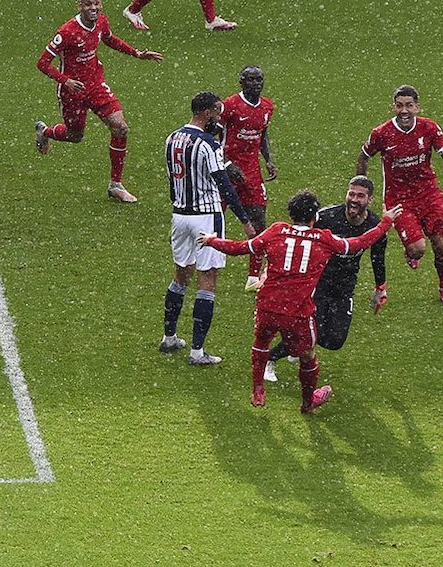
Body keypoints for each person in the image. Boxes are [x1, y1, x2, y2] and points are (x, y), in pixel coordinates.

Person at [198, 190, 402, 410]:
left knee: (261, 343)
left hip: (267, 305)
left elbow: (241, 248)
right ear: (314, 216)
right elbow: (360, 243)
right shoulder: (324, 239)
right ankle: (308, 402)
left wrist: (212, 240)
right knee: (308, 355)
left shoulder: (276, 230)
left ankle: (258, 390)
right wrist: (386, 222)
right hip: (297, 312)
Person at [34, 0, 164, 204]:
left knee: (120, 128)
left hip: (96, 85)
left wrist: (137, 53)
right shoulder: (67, 32)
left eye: (96, 4)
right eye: (87, 5)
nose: (93, 8)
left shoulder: (101, 22)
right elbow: (42, 63)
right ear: (79, 6)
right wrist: (65, 80)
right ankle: (45, 131)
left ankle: (116, 185)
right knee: (75, 136)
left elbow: (110, 39)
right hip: (72, 91)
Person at [161, 91, 256, 365]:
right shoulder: (208, 144)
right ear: (206, 113)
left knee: (181, 276)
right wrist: (245, 221)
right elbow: (224, 184)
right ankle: (197, 352)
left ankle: (169, 337)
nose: (219, 119)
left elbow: (171, 180)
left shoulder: (172, 138)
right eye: (216, 113)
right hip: (206, 218)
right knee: (207, 281)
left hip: (179, 215)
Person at [264, 176, 388, 383]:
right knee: (314, 328)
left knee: (334, 340)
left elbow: (378, 258)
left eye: (360, 196)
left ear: (370, 200)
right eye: (351, 194)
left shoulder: (375, 226)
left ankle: (301, 347)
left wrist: (380, 288)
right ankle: (271, 358)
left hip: (345, 286)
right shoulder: (326, 217)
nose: (354, 200)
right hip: (317, 282)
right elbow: (297, 239)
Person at [356, 85, 443, 305]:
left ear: (417, 107)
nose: (404, 110)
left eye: (409, 105)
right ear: (394, 107)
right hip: (399, 199)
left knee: (441, 246)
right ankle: (411, 253)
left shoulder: (429, 128)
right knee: (418, 250)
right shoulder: (381, 133)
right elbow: (363, 156)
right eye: (400, 106)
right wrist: (361, 186)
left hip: (428, 194)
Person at [218, 65, 277, 291]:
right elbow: (212, 134)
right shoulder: (230, 105)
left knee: (259, 221)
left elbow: (263, 133)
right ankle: (205, 263)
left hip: (252, 173)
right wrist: (226, 163)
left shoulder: (267, 107)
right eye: (250, 80)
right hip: (225, 171)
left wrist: (268, 159)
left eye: (259, 79)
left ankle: (253, 277)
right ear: (241, 82)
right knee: (215, 219)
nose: (256, 84)